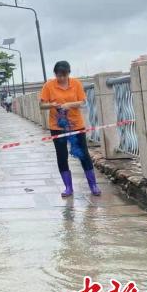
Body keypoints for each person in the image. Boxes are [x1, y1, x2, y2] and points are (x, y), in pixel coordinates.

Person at [39, 61, 101, 198]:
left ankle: (93, 185)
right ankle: (68, 187)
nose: (61, 78)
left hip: (76, 125)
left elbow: (83, 102)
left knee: (84, 154)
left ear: (68, 73)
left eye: (64, 75)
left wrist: (69, 105)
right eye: (58, 75)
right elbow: (42, 105)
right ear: (55, 74)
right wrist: (52, 105)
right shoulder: (49, 85)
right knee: (62, 156)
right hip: (57, 126)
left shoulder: (76, 84)